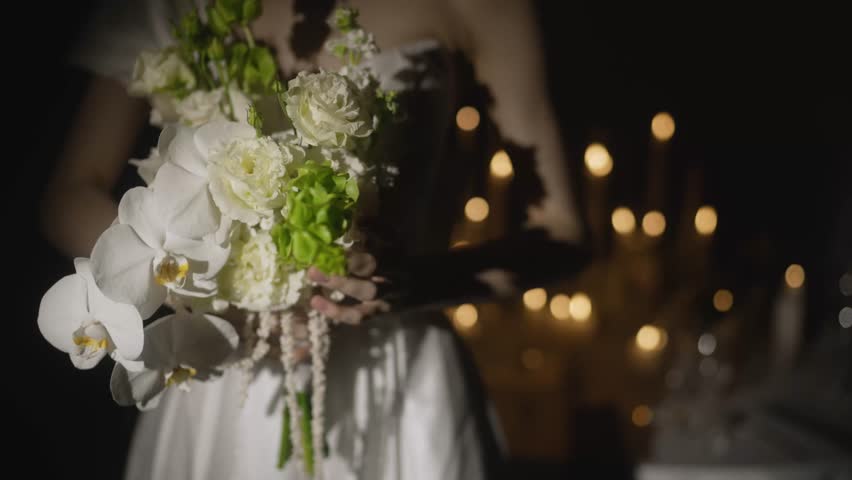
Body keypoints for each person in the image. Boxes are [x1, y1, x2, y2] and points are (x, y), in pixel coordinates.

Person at [42, 0, 584, 478]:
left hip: (400, 376)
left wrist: (411, 284)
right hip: (221, 368)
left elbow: (562, 230)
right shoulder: (170, 6)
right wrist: (200, 284)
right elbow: (68, 194)